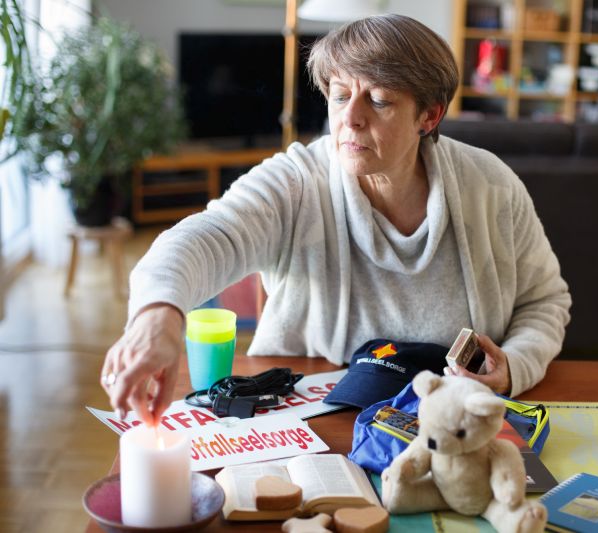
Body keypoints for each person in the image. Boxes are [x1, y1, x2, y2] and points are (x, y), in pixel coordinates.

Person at [101, 14, 571, 425]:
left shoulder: (491, 184)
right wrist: (156, 316)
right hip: (315, 421)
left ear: (428, 115)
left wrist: (514, 365)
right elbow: (205, 238)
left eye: (380, 101)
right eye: (340, 95)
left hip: (457, 422)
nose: (350, 118)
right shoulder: (296, 181)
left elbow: (544, 301)